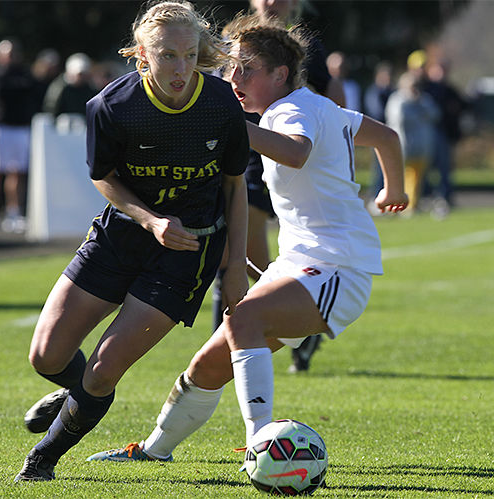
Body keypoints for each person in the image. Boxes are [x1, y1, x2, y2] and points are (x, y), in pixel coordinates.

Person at [84, 13, 407, 464]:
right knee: (207, 366)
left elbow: (295, 152)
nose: (233, 77)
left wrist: (228, 125)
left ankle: (263, 448)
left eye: (247, 68)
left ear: (281, 74)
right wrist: (395, 188)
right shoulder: (321, 107)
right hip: (301, 266)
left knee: (241, 323)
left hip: (337, 268)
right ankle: (154, 451)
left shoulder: (293, 110)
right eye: (230, 67)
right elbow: (388, 138)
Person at [13, 0, 249, 482]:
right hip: (122, 235)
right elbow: (103, 177)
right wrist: (149, 218)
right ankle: (78, 396)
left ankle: (42, 460)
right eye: (167, 56)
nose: (180, 68)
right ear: (143, 54)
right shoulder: (111, 106)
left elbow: (234, 185)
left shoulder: (222, 103)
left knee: (102, 371)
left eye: (188, 55)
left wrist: (236, 267)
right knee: (46, 356)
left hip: (185, 254)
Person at [211, 0, 346, 373]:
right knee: (235, 246)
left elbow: (333, 97)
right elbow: (216, 88)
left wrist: (337, 141)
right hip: (241, 148)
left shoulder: (305, 46)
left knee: (259, 243)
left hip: (283, 150)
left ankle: (289, 313)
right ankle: (265, 312)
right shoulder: (232, 39)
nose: (271, 1)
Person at [0, 38, 37, 233]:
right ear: (0, 55)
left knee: (17, 172)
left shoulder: (25, 74)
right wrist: (16, 89)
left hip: (20, 128)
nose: (11, 57)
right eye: (7, 54)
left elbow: (29, 92)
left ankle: (14, 213)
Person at [385, 71, 439, 213]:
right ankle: (401, 206)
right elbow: (399, 118)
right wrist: (418, 112)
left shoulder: (423, 99)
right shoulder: (398, 100)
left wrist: (419, 105)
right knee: (401, 179)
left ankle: (411, 205)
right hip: (403, 146)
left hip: (422, 146)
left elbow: (435, 114)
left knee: (416, 179)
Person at [421, 57, 467, 214]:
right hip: (427, 134)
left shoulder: (449, 90)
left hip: (444, 134)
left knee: (444, 167)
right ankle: (426, 196)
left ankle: (445, 196)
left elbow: (462, 105)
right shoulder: (426, 88)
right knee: (424, 167)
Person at [363, 60, 394, 213]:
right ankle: (375, 197)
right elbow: (377, 112)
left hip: (387, 136)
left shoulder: (391, 92)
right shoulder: (374, 92)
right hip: (377, 136)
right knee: (378, 169)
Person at [43, 52, 98, 118]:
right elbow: (51, 110)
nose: (83, 77)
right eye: (80, 74)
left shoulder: (89, 89)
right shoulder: (59, 88)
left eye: (85, 74)